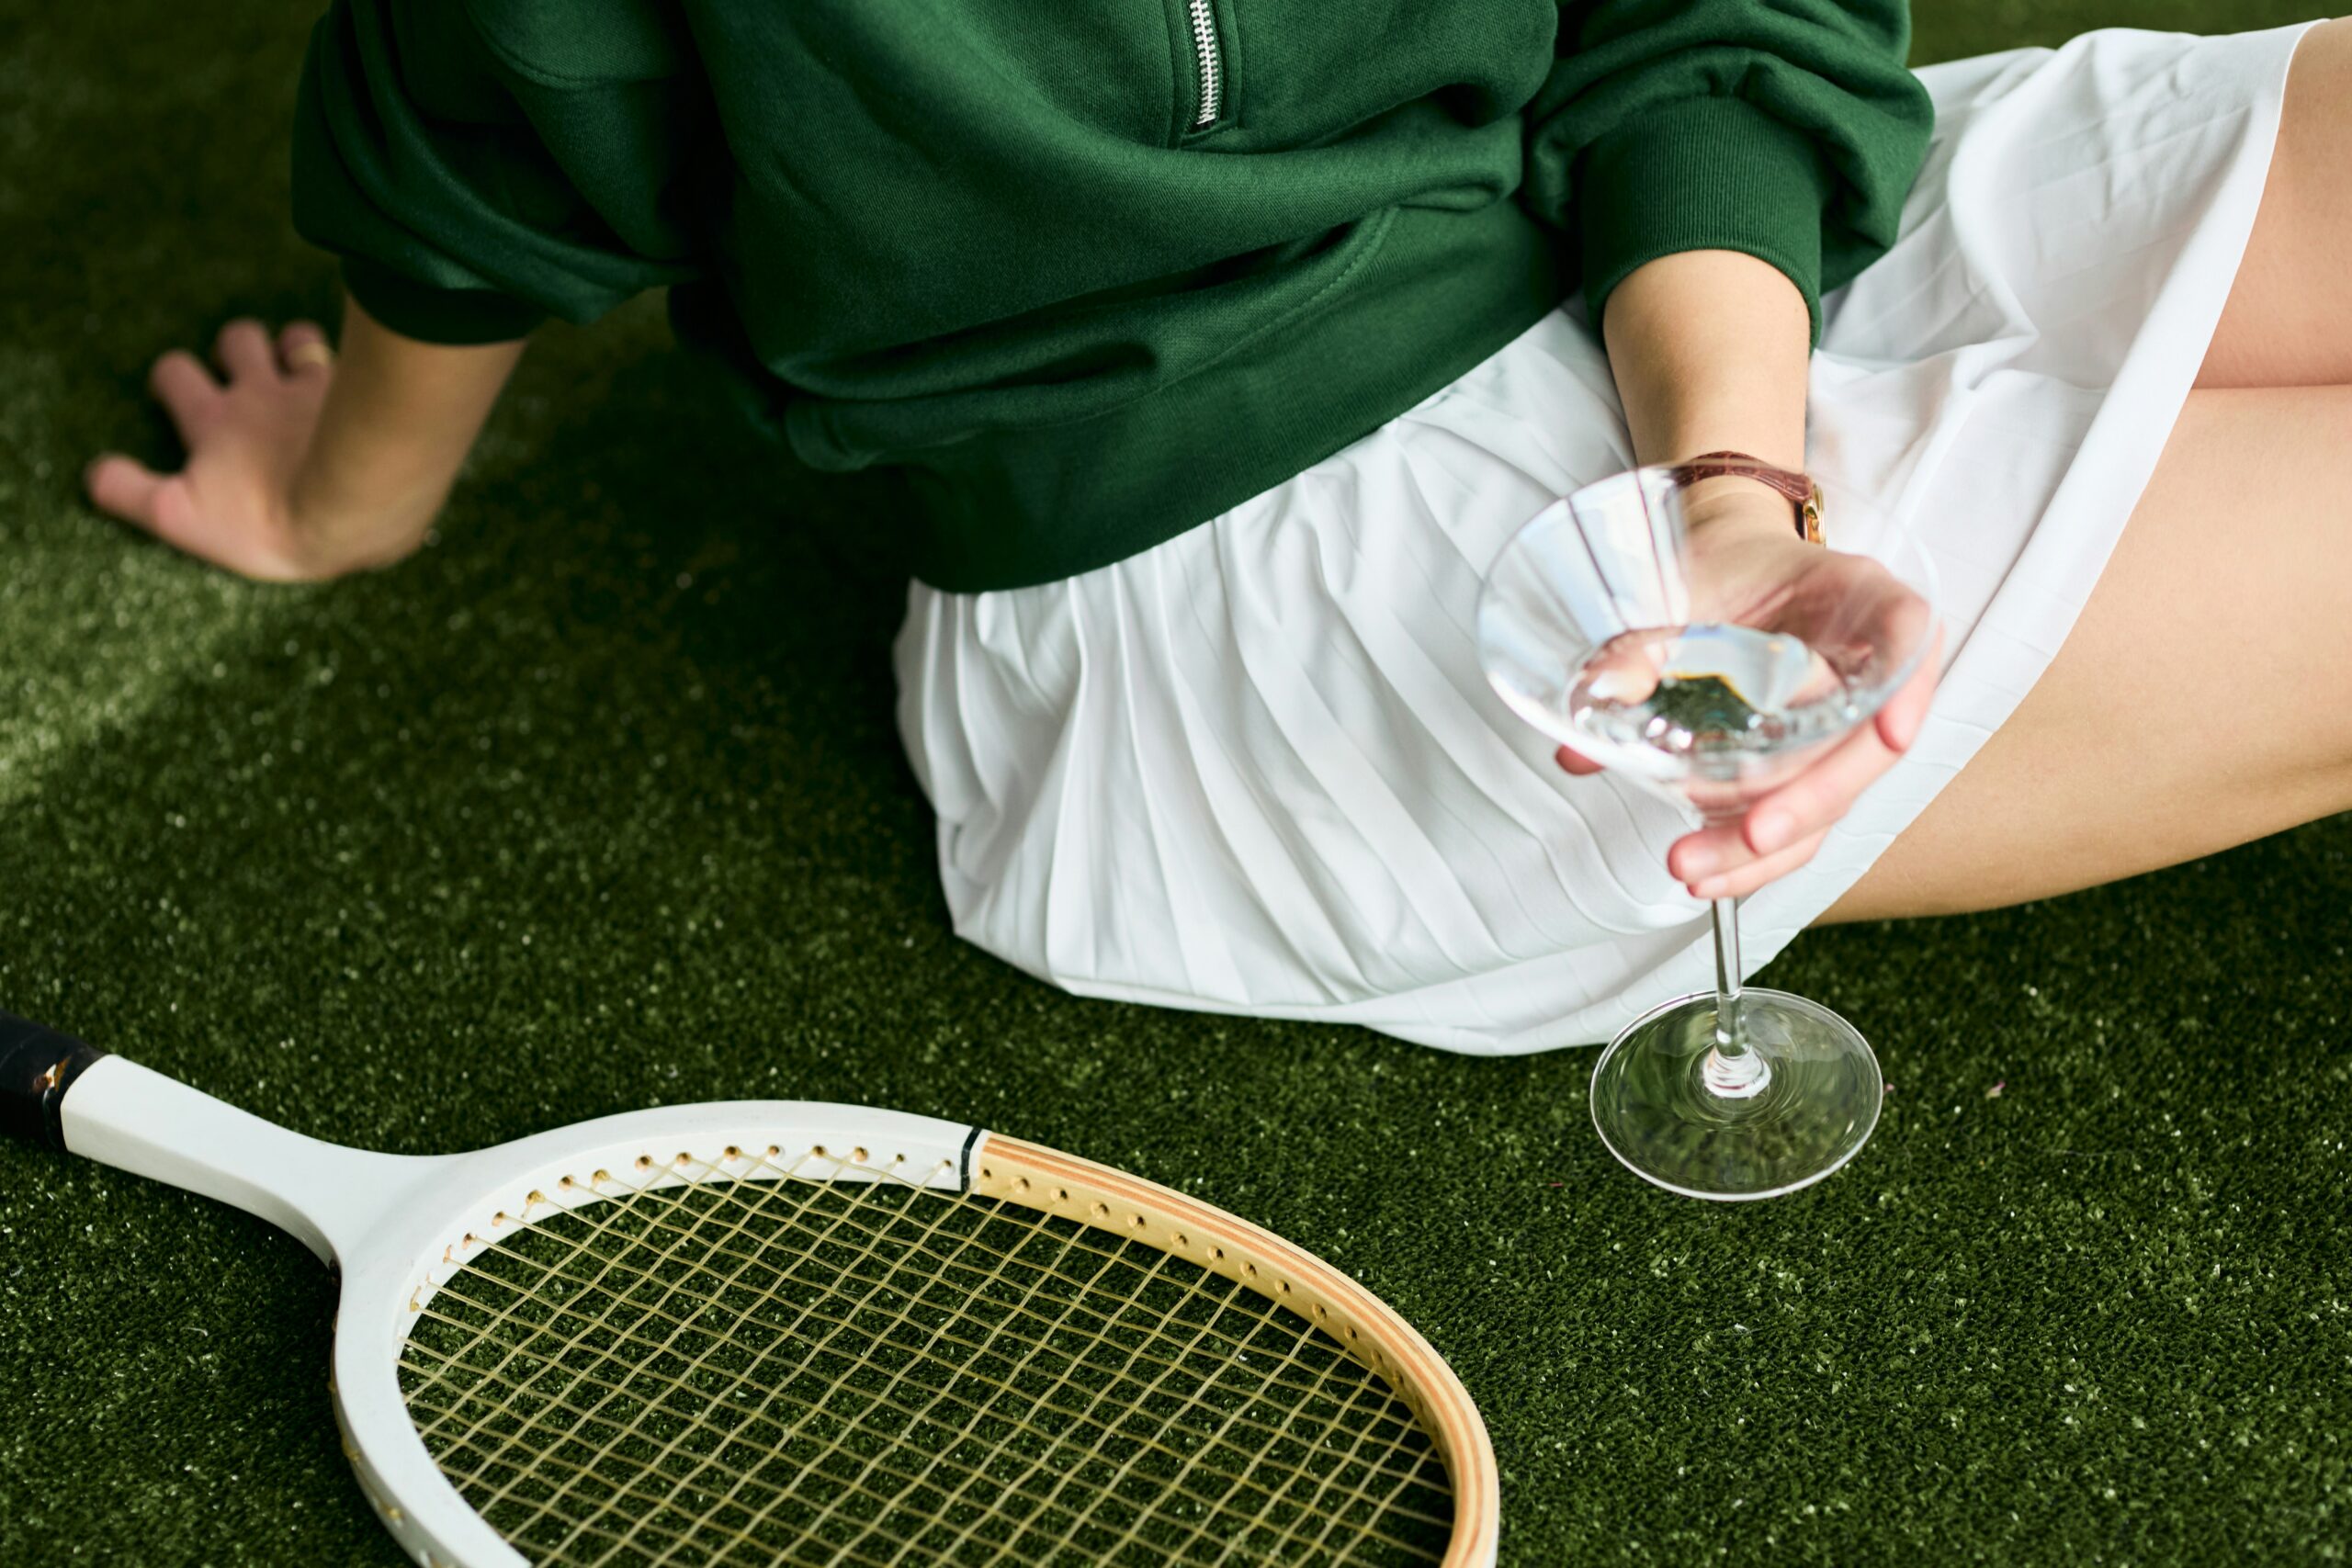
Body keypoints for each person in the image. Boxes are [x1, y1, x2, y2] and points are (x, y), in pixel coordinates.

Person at [85, 3, 2350, 1052]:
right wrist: (332, 501)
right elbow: (479, 149)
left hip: (1669, 255)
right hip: (1255, 569)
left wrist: (1732, 485)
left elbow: (1704, 24)